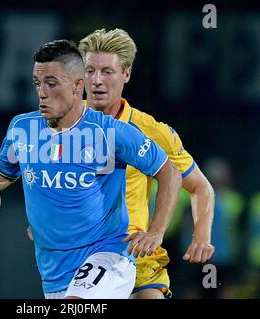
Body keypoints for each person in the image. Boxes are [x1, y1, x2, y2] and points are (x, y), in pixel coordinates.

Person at [0, 40, 182, 299]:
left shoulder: (111, 133)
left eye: (52, 83)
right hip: (54, 267)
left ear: (77, 85)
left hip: (108, 255)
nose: (42, 93)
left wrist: (156, 231)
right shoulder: (22, 129)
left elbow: (169, 172)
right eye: (38, 83)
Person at [77, 28, 215, 299]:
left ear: (126, 74)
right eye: (90, 71)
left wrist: (199, 238)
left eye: (107, 72)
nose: (97, 81)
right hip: (79, 252)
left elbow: (200, 188)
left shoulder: (151, 132)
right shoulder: (61, 124)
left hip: (135, 253)